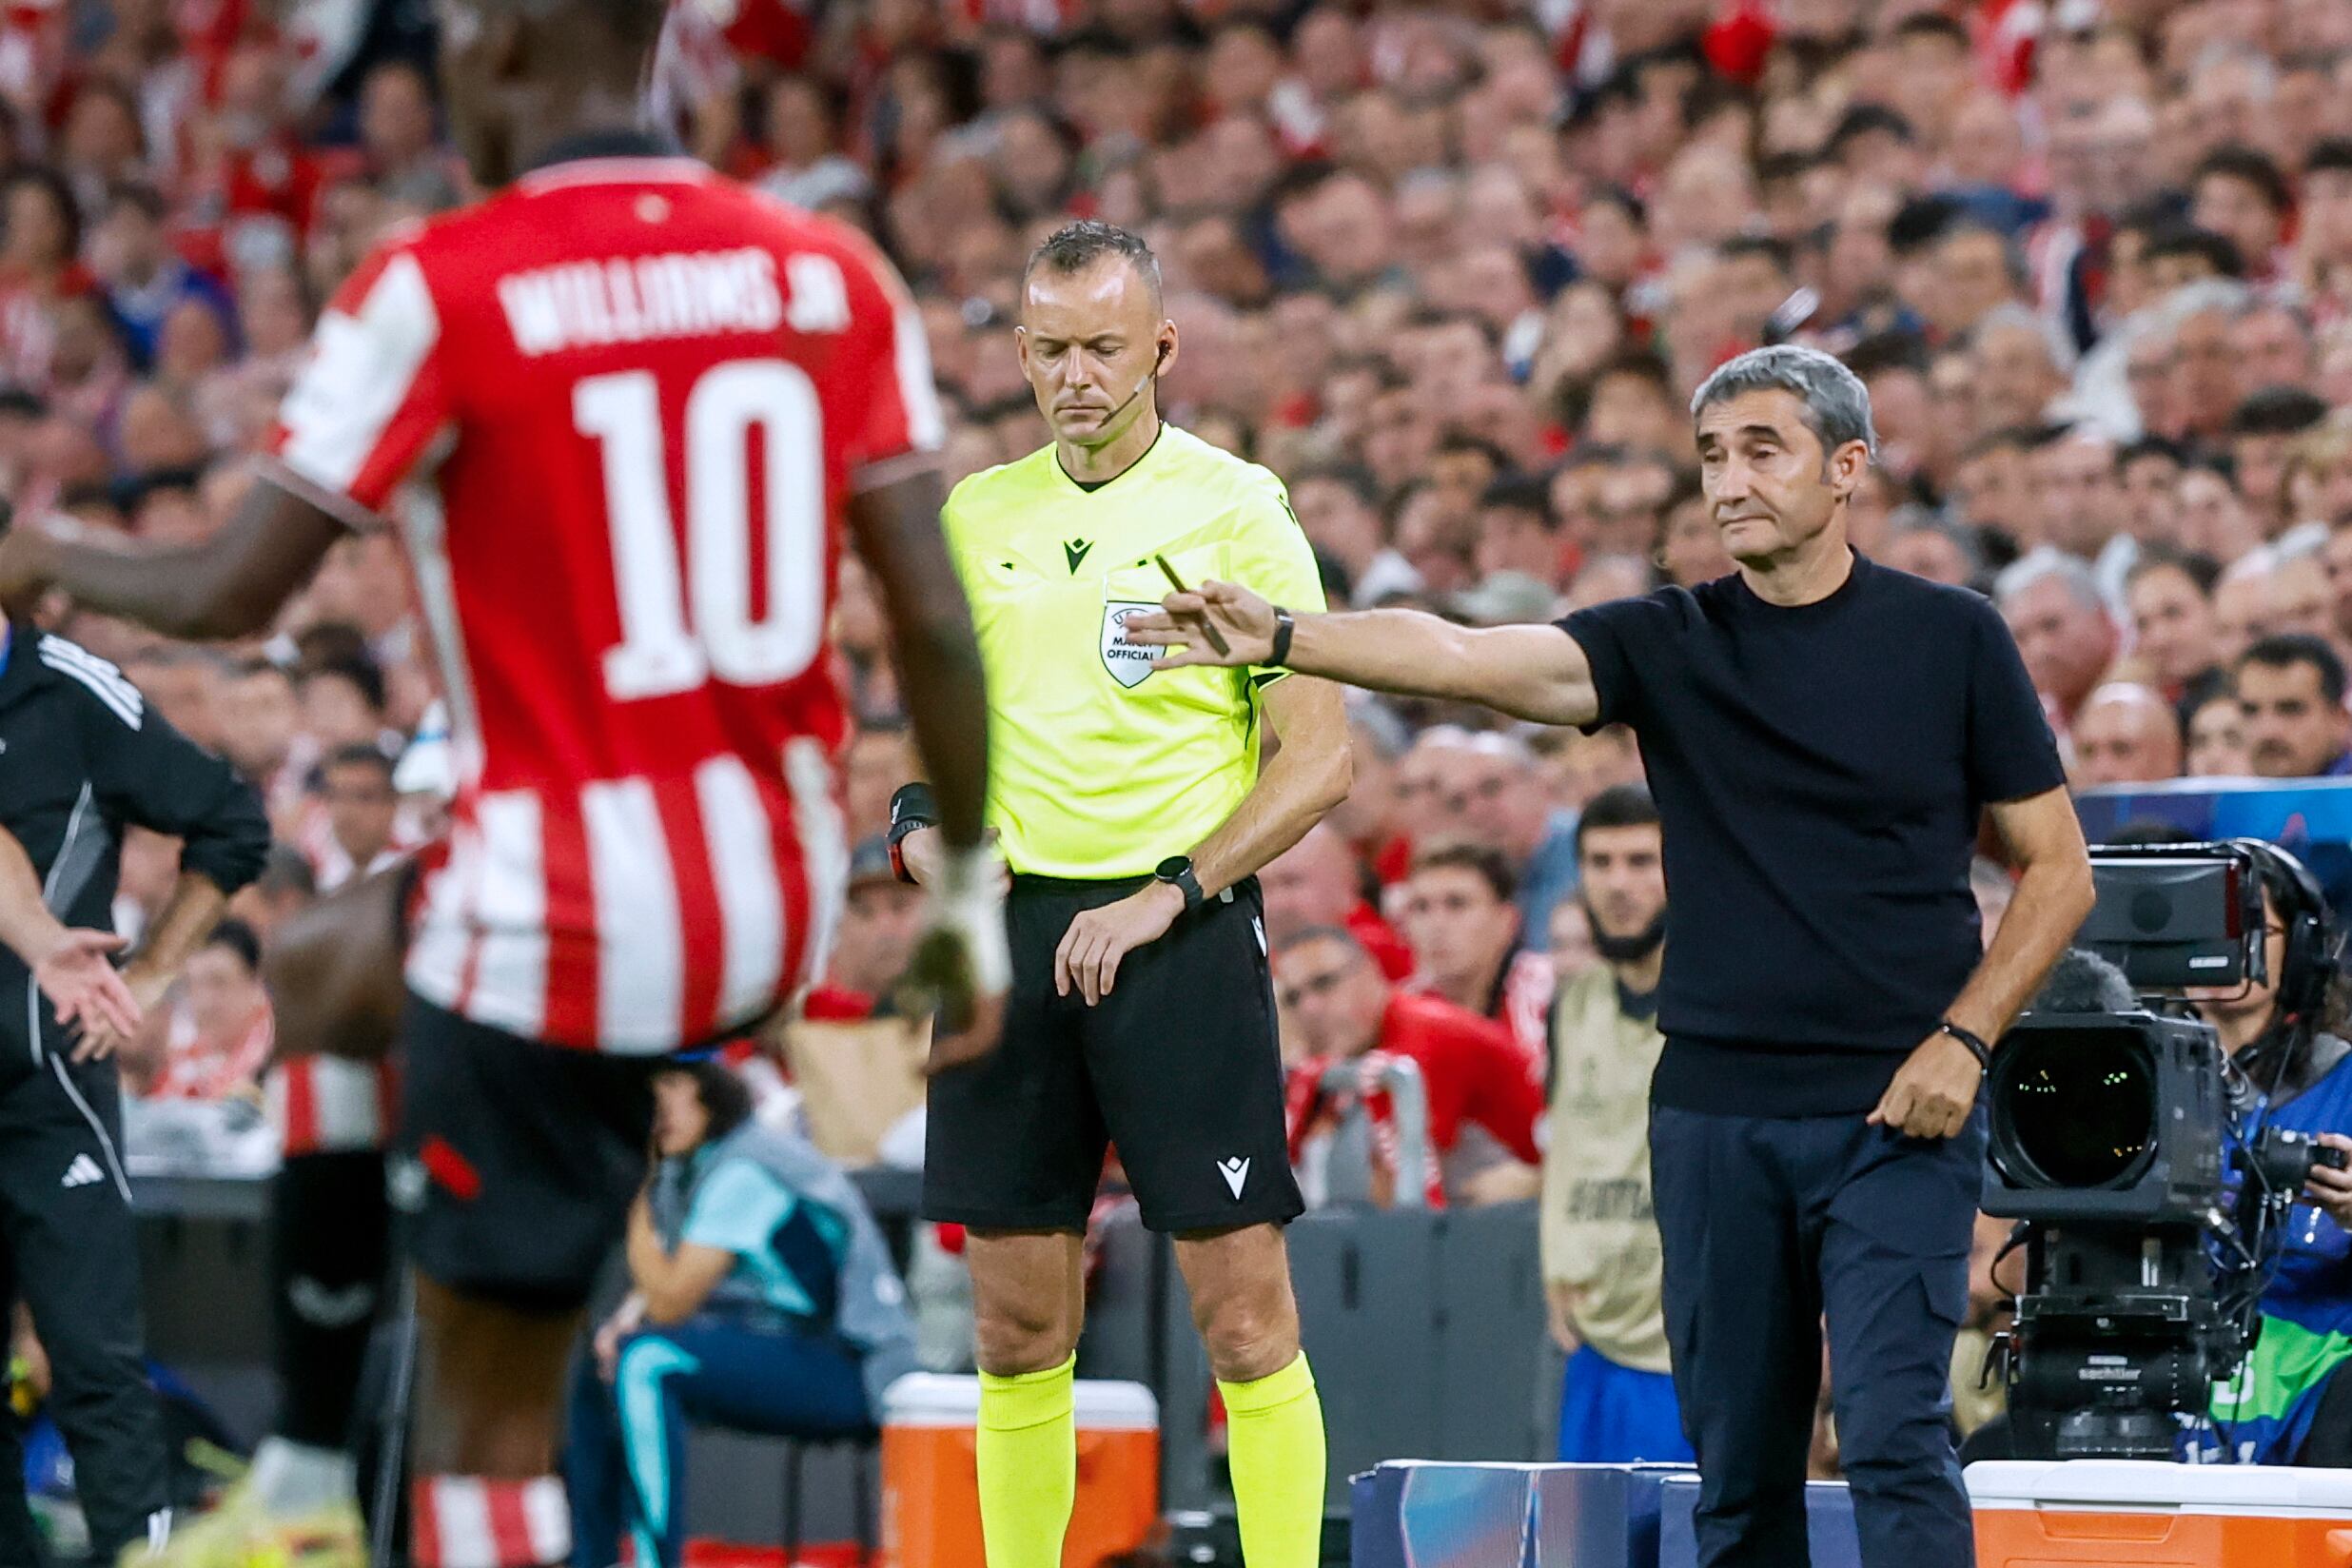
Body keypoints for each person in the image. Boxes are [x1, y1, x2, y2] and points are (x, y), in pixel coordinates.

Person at [0, 0, 1004, 1557]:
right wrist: (960, 895)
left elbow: (229, 594)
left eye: (456, 37)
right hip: (777, 885)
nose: (438, 68)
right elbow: (934, 622)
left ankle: (337, 1490)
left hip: (569, 900)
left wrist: (37, 548)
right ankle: (313, 1477)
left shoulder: (444, 284)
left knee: (486, 1413)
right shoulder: (823, 273)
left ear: (517, 47)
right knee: (328, 965)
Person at [1132, 343, 2093, 1568]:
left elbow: (2057, 868)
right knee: (1737, 1471)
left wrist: (1965, 1041)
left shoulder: (1952, 638)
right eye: (1710, 457)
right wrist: (1282, 634)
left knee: (1897, 1435)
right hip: (1714, 1113)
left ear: (1847, 468)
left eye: (1762, 449)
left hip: (1900, 1113)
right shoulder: (1669, 641)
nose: (1729, 480)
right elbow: (1470, 657)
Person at [888, 221, 1348, 1568]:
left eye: (1102, 347)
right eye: (1049, 350)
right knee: (1016, 1328)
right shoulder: (981, 513)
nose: (1076, 376)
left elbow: (1315, 762)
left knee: (1247, 1322)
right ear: (1019, 352)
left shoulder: (1238, 508)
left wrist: (1168, 893)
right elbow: (942, 739)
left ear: (1162, 347)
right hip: (1011, 940)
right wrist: (921, 828)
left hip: (1177, 932)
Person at [0, 610, 270, 1566]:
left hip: (49, 1092)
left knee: (96, 1369)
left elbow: (233, 822)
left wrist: (154, 970)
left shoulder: (69, 687)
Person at [568, 1060, 917, 1567]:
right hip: (784, 1340)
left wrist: (637, 1191)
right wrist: (624, 1320)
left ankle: (653, 1561)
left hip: (852, 1368)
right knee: (596, 1366)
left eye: (670, 1088)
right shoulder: (699, 1165)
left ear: (711, 1095)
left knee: (646, 1361)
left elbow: (671, 1298)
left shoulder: (747, 1167)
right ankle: (592, 1559)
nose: (657, 1108)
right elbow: (667, 1285)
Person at [1541, 784, 1691, 1463]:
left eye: (1640, 861)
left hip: (1688, 1342)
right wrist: (1559, 1255)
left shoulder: (1717, 1000)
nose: (1618, 884)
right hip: (1594, 1333)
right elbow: (1568, 1141)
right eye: (1600, 863)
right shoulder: (1573, 1003)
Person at [2191, 844, 2352, 1464]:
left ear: (2306, 950)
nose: (2222, 943)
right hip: (2158, 1362)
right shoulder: (2122, 1083)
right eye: (2206, 922)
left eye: (2249, 924)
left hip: (2326, 1378)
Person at [1273, 924, 1542, 1205]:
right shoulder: (1349, 1052)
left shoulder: (1423, 1036)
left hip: (1530, 1212)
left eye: (1323, 983)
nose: (1309, 1008)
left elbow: (1397, 1196)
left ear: (1370, 972)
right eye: (1293, 998)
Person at [2236, 634, 2352, 777]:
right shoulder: (2219, 796)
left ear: (2340, 719)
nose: (2268, 731)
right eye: (2250, 711)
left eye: (2290, 710)